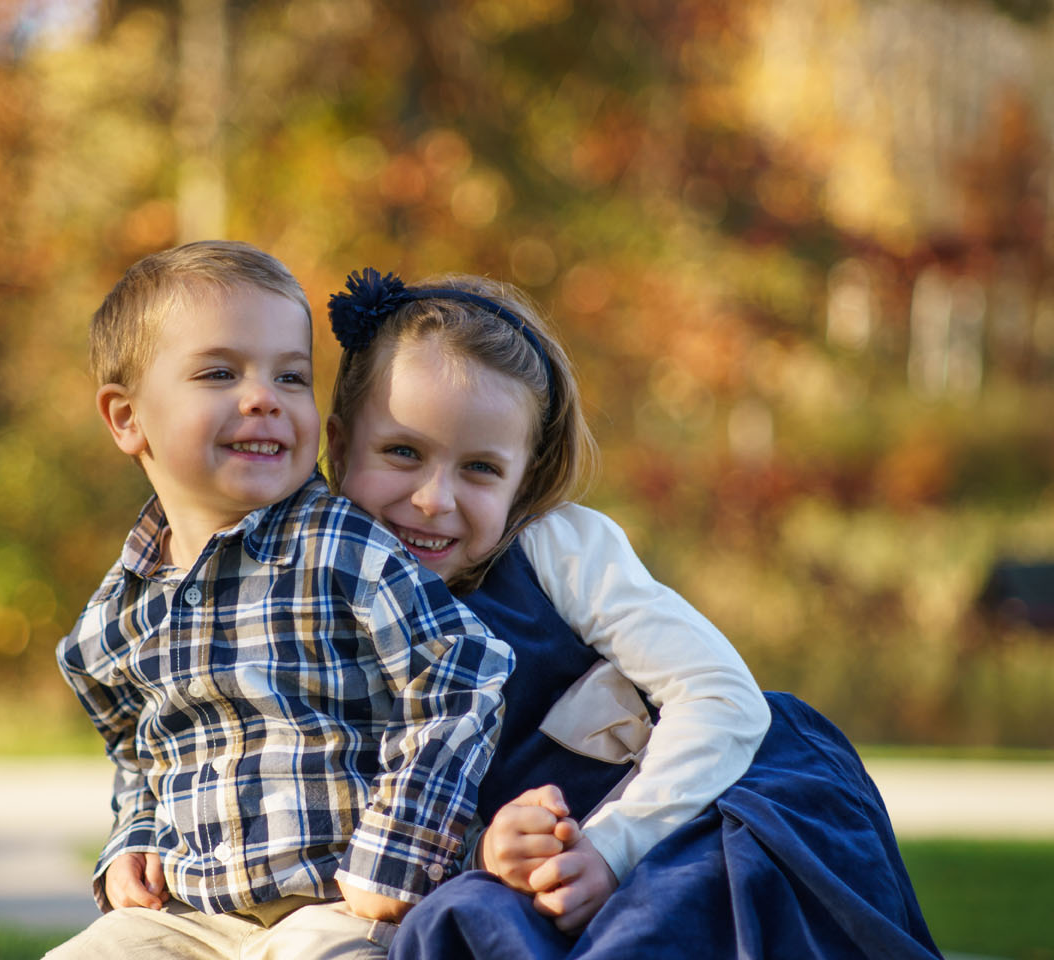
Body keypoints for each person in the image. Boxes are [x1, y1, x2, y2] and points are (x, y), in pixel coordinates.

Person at [322, 268, 943, 959]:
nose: (434, 499)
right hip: (541, 863)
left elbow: (720, 696)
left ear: (524, 479)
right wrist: (492, 848)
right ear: (341, 447)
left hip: (687, 802)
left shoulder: (554, 548)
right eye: (403, 453)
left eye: (480, 469)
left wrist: (612, 847)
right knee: (467, 923)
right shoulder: (304, 600)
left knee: (665, 924)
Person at [46, 243, 515, 960]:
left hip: (342, 898)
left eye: (291, 376)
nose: (264, 396)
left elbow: (462, 668)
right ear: (127, 418)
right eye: (219, 373)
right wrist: (133, 838)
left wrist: (399, 848)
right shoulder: (116, 615)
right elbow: (139, 752)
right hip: (195, 912)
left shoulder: (339, 546)